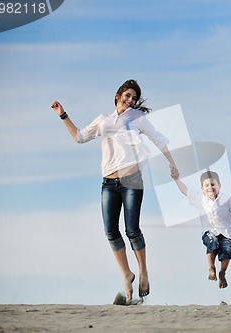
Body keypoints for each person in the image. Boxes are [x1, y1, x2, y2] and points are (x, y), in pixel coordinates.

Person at [51, 79, 178, 305]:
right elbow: (79, 137)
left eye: (134, 98)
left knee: (132, 230)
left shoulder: (138, 118)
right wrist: (63, 115)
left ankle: (144, 273)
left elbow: (159, 139)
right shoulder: (103, 120)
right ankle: (126, 275)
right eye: (127, 96)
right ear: (118, 95)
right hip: (109, 183)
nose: (130, 100)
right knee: (110, 231)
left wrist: (172, 163)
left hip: (132, 180)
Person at [172, 170, 231, 288]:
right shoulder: (199, 197)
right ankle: (211, 268)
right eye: (206, 185)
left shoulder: (227, 199)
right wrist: (176, 179)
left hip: (226, 232)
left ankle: (222, 273)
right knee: (212, 243)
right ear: (202, 188)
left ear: (219, 186)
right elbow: (185, 191)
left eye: (213, 184)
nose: (210, 187)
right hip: (209, 231)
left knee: (227, 250)